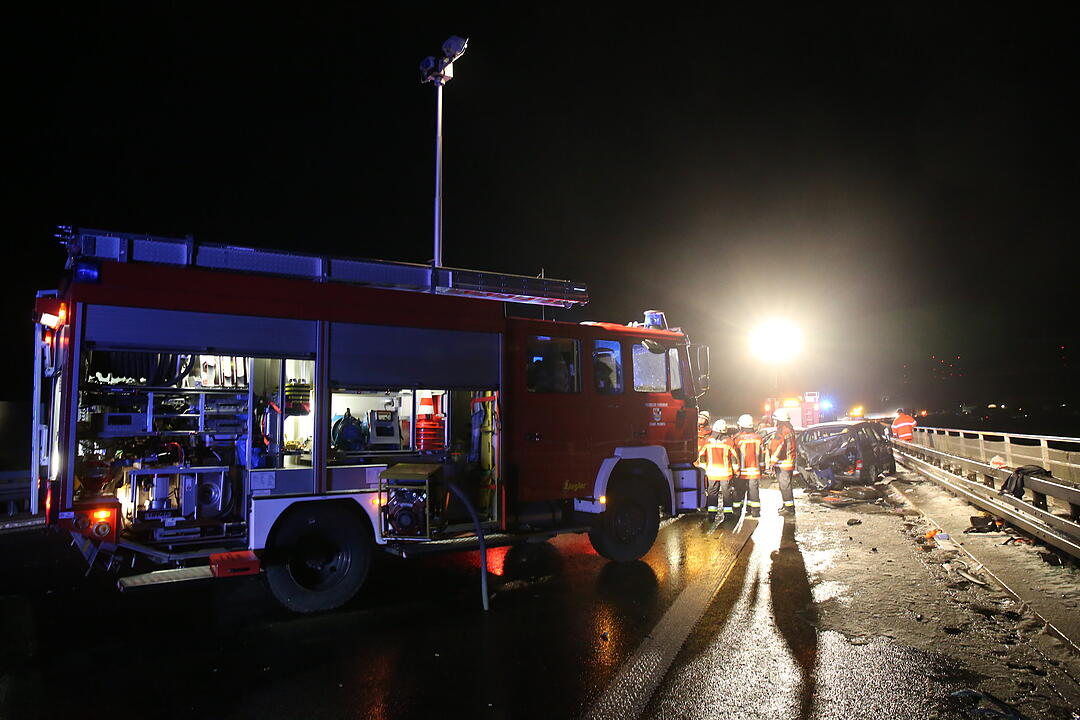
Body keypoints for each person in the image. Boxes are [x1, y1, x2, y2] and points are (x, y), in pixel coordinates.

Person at [700, 419, 738, 522]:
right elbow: (734, 457)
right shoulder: (729, 441)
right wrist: (736, 470)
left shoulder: (707, 440)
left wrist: (704, 469)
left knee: (712, 493)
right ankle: (728, 515)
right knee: (726, 494)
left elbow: (701, 455)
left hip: (712, 473)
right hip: (725, 473)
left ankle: (712, 514)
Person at [768, 407, 798, 515]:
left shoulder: (782, 431)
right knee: (787, 485)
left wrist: (772, 462)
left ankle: (789, 509)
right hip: (788, 462)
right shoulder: (790, 429)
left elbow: (778, 447)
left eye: (775, 419)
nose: (774, 421)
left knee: (784, 486)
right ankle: (787, 505)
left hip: (783, 464)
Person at [732, 413, 763, 518]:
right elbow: (762, 455)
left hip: (741, 470)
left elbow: (733, 455)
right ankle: (755, 511)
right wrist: (762, 468)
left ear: (741, 425)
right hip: (754, 470)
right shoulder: (758, 438)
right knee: (753, 491)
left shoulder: (737, 438)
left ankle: (736, 511)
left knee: (739, 491)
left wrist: (734, 470)